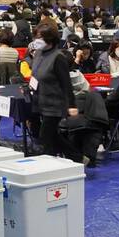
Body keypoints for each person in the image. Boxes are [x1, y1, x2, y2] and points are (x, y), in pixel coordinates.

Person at [29, 23, 78, 161]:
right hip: (39, 101)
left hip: (54, 104)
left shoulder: (58, 57)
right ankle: (78, 158)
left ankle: (49, 164)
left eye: (39, 37)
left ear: (49, 39)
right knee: (51, 136)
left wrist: (72, 105)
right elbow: (36, 75)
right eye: (35, 36)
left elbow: (66, 83)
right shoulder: (38, 54)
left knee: (46, 138)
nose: (36, 40)